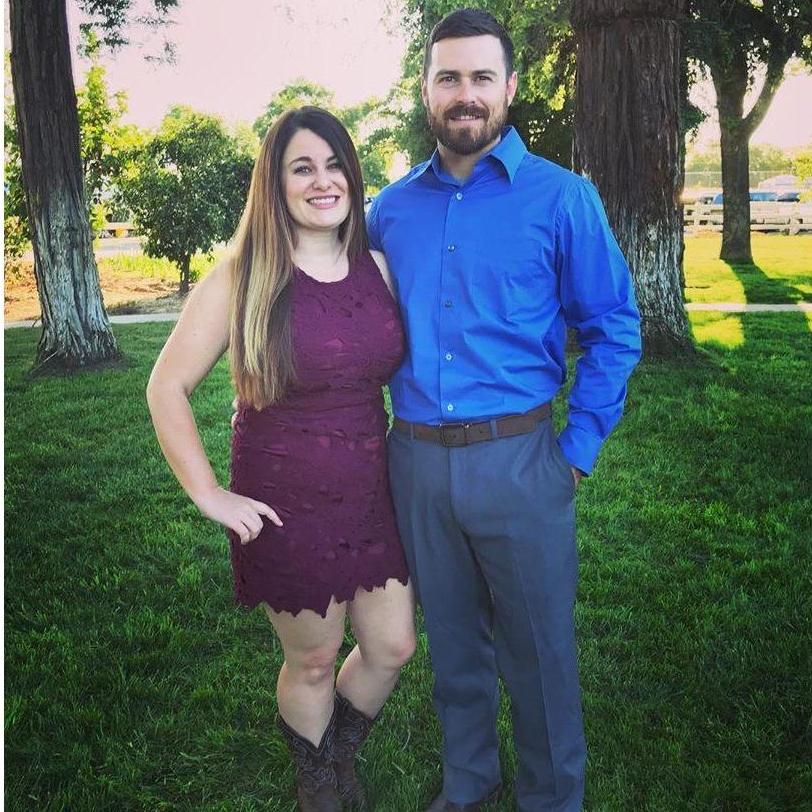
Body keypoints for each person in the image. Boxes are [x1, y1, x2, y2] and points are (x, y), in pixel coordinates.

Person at [366, 9, 642, 812]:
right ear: (425, 89)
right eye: (448, 77)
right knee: (454, 651)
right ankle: (470, 785)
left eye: (482, 77)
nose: (466, 94)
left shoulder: (562, 198)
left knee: (540, 656)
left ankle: (551, 799)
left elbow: (614, 326)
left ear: (510, 86)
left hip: (521, 463)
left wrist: (576, 449)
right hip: (417, 463)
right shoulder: (389, 211)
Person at [147, 106, 415, 812]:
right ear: (276, 183)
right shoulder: (244, 276)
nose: (322, 181)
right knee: (314, 658)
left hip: (371, 496)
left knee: (392, 648)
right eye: (302, 168)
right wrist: (208, 493)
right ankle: (318, 782)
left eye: (334, 165)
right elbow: (166, 387)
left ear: (352, 176)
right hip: (284, 503)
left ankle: (337, 754)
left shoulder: (378, 268)